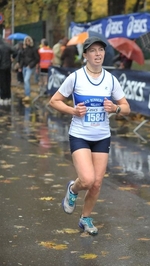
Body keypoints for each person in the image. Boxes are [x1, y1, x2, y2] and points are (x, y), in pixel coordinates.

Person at [48, 36, 131, 235]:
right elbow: (54, 101)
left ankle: (85, 218)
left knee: (97, 183)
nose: (97, 54)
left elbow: (127, 107)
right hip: (80, 135)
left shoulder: (110, 79)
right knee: (86, 179)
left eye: (100, 50)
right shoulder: (75, 77)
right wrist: (73, 111)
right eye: (92, 50)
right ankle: (73, 190)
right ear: (85, 55)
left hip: (102, 136)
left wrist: (115, 108)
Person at [18, 36, 40, 103]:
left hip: (29, 66)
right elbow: (21, 58)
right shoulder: (24, 49)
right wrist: (20, 67)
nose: (27, 42)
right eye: (26, 41)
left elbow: (37, 58)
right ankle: (26, 94)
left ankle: (28, 95)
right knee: (25, 81)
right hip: (24, 66)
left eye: (28, 41)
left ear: (30, 41)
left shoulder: (34, 49)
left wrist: (31, 65)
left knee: (26, 80)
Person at [0, 38, 17, 105]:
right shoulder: (7, 46)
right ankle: (8, 97)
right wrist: (12, 58)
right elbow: (15, 51)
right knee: (8, 81)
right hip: (8, 66)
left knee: (2, 83)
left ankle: (3, 97)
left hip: (1, 67)